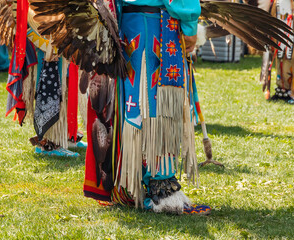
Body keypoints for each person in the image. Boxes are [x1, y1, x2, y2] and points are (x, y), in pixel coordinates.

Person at [83, 0, 211, 215]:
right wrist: (189, 25)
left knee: (134, 103)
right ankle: (162, 192)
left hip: (126, 26)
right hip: (157, 27)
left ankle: (129, 185)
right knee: (157, 106)